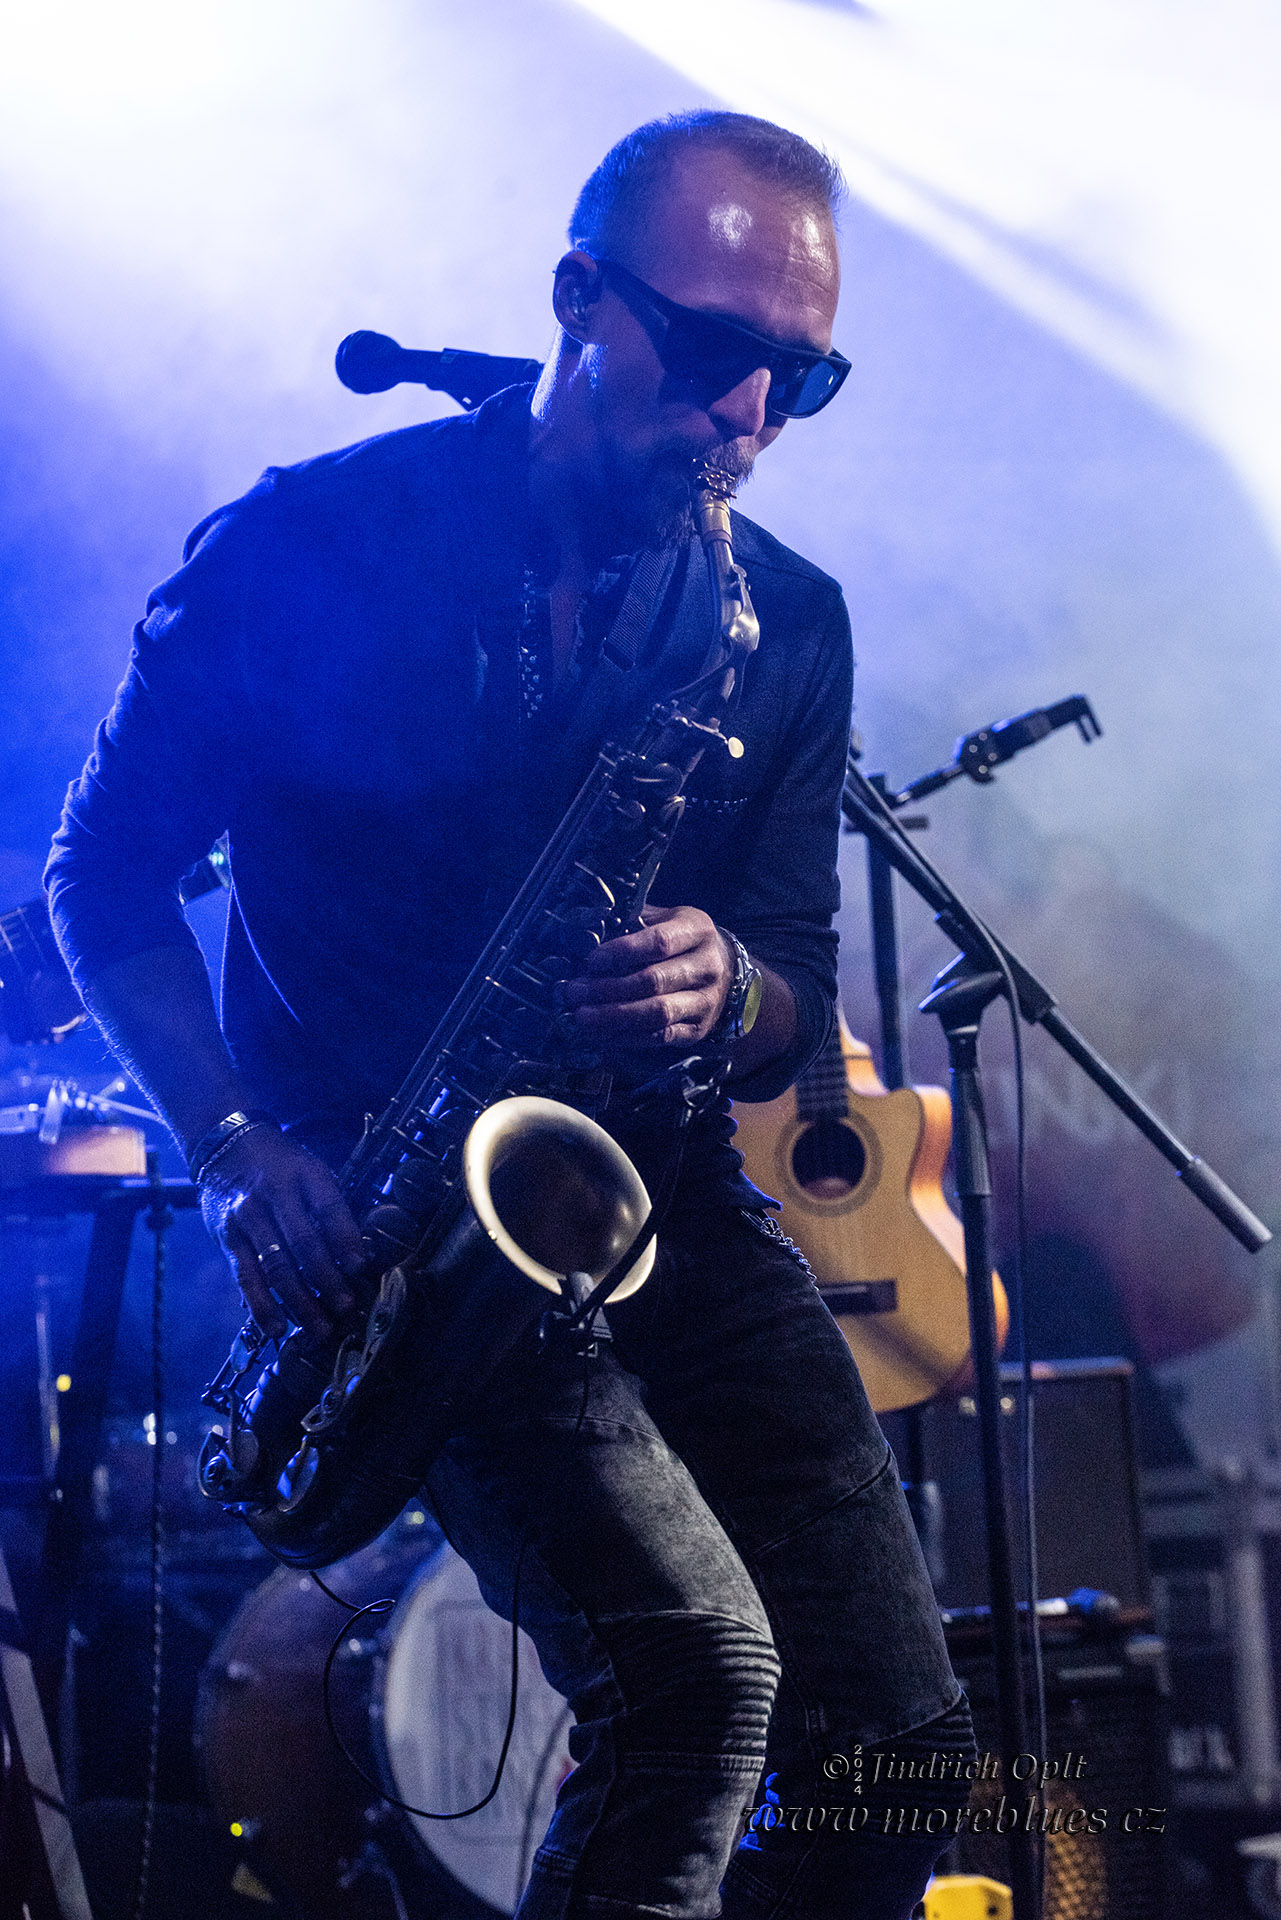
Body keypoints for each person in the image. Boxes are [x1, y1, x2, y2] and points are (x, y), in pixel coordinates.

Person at [48, 112, 973, 1920]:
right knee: (695, 1690)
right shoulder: (311, 545)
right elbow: (104, 874)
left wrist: (735, 982)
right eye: (713, 353)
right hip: (395, 1240)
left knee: (892, 1738)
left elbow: (794, 1002)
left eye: (803, 377)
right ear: (575, 298)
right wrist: (236, 1147)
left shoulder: (780, 622)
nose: (749, 422)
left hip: (654, 1197)